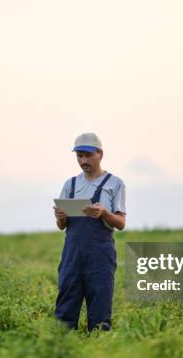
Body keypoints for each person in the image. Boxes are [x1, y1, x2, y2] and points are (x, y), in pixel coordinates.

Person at [53, 132, 126, 331]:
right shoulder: (71, 184)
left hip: (100, 257)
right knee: (65, 310)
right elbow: (62, 226)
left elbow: (120, 223)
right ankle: (61, 353)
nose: (83, 161)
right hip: (72, 255)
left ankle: (99, 354)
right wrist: (60, 218)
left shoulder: (115, 183)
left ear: (100, 154)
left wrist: (104, 213)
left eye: (87, 155)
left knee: (100, 313)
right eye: (79, 156)